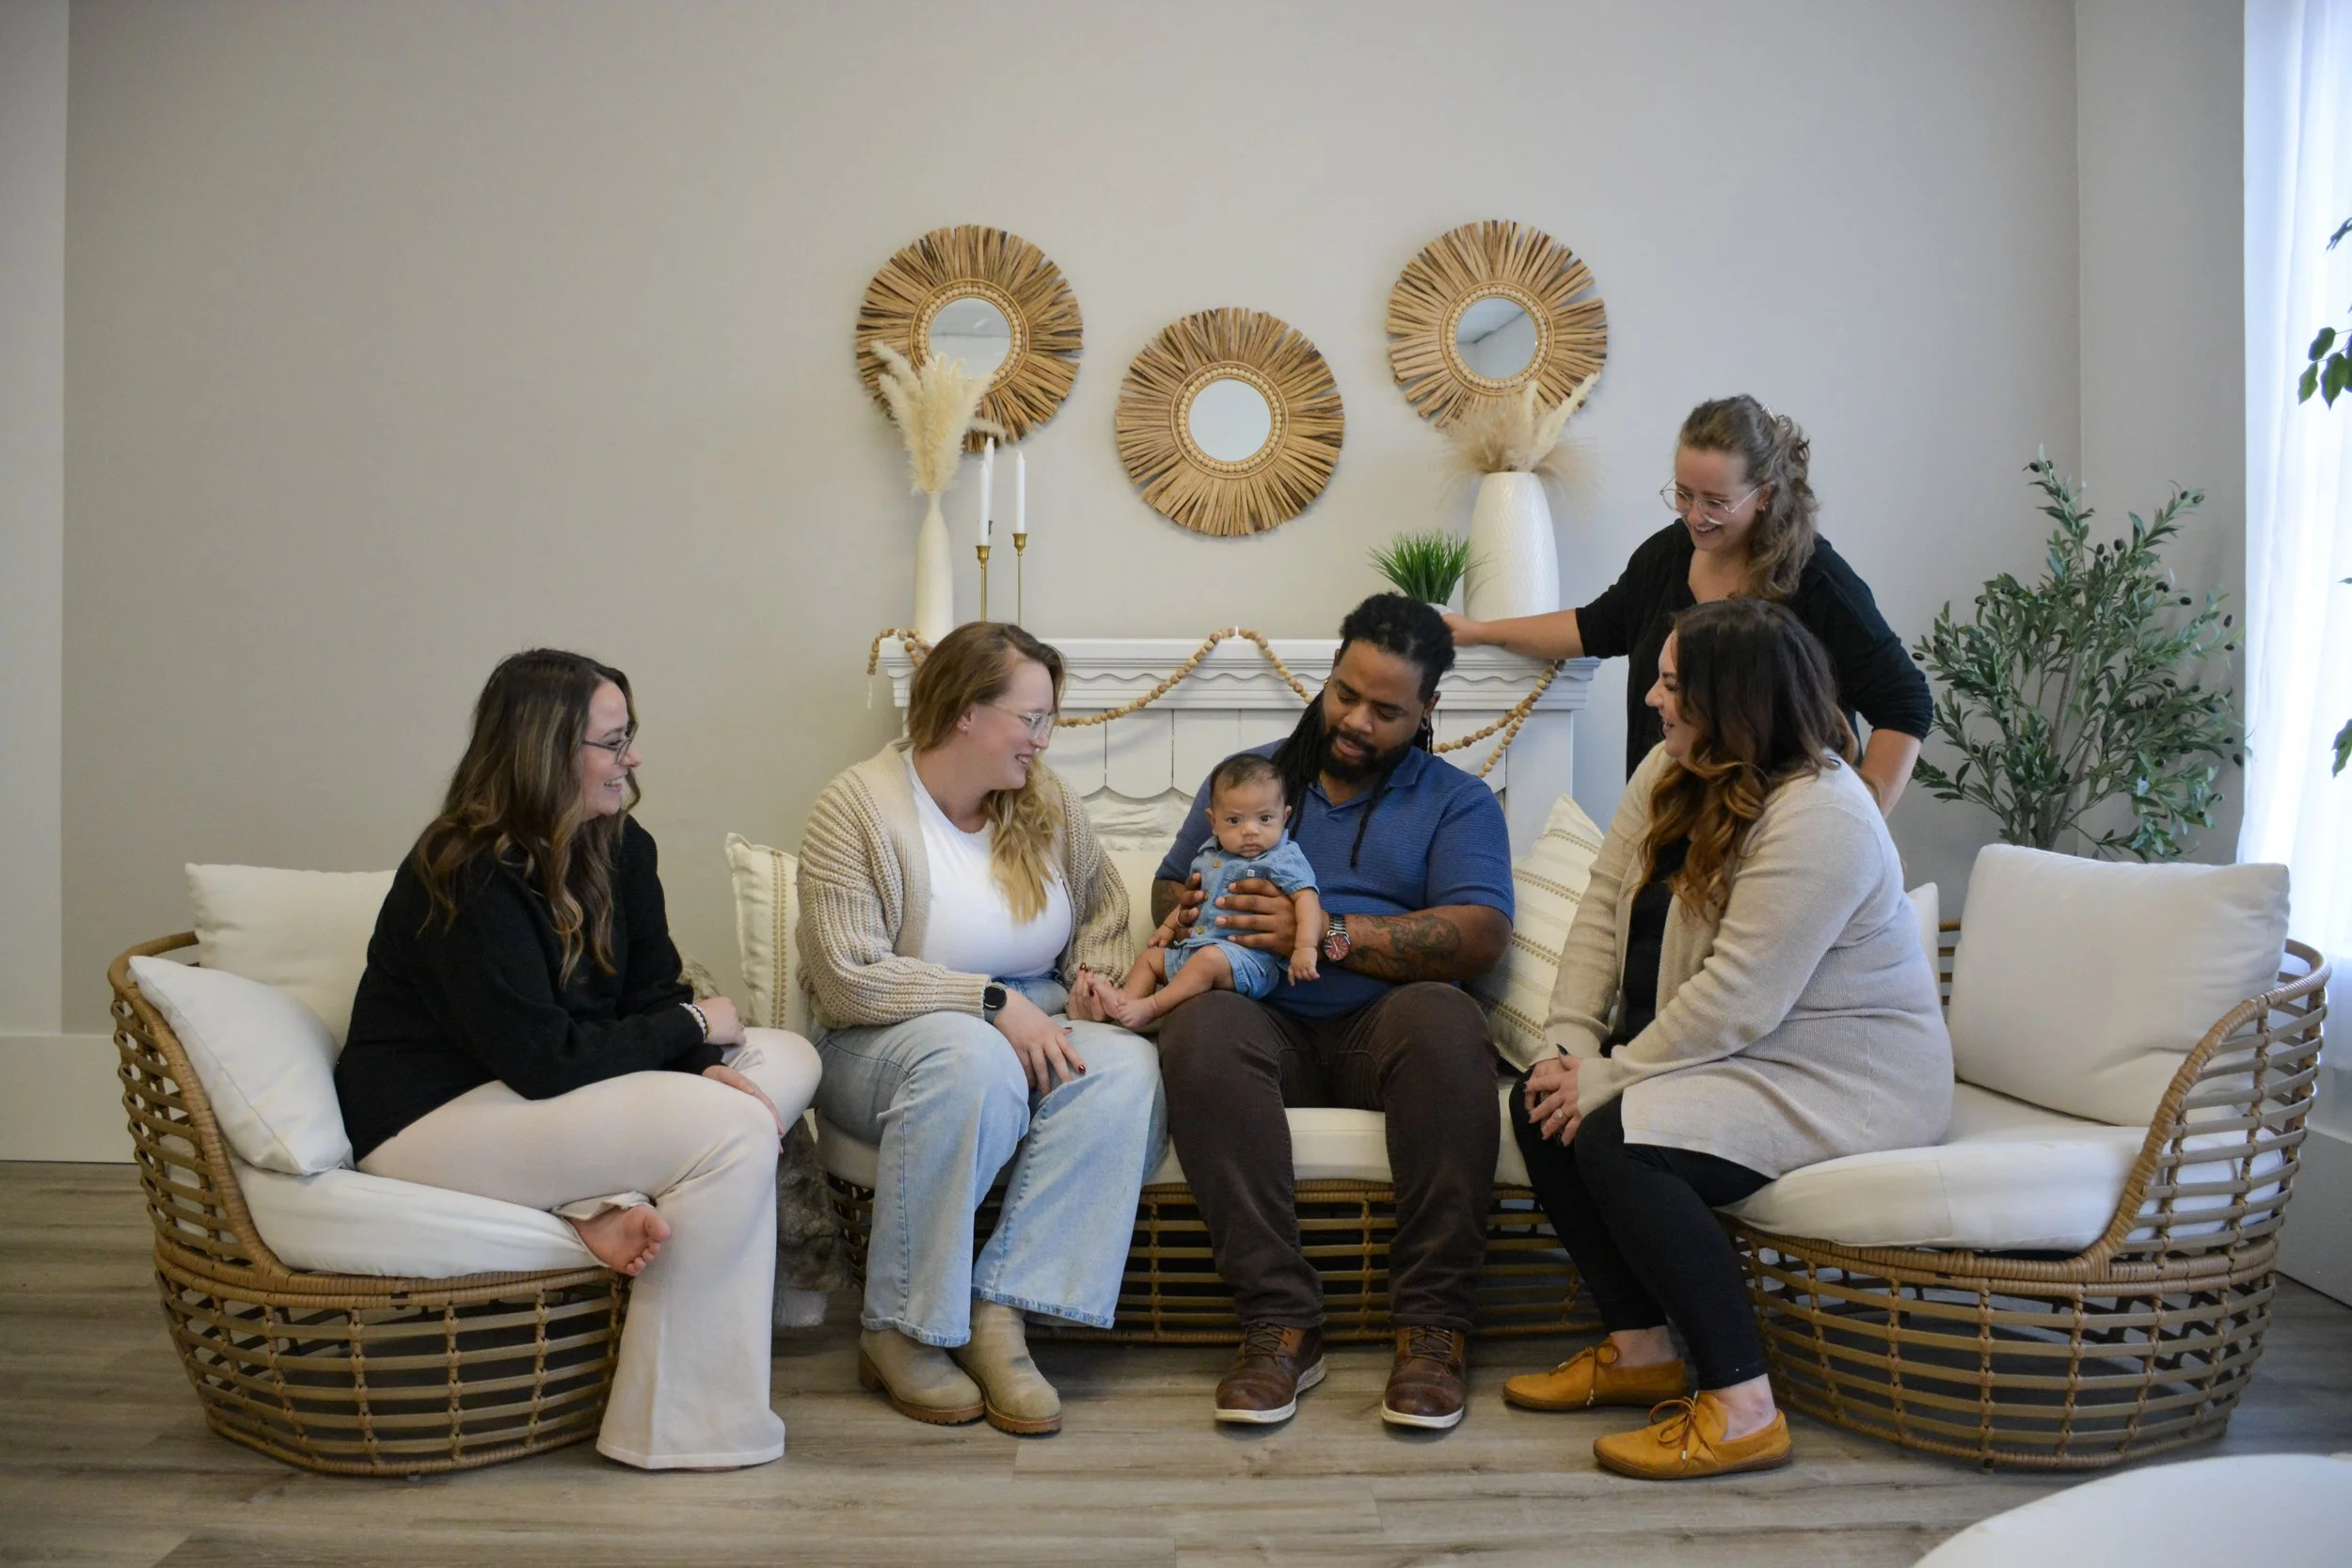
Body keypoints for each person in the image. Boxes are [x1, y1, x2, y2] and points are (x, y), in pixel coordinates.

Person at [335, 649, 818, 1472]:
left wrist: (697, 1057)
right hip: (433, 1116)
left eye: (631, 736)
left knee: (785, 1055)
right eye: (613, 739)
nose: (632, 758)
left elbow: (651, 993)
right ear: (546, 750)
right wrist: (691, 1029)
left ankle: (601, 1204)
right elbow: (545, 1058)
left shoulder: (622, 848)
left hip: (542, 1098)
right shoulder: (461, 869)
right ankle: (681, 1426)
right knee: (737, 1130)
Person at [1502, 598, 1951, 1480]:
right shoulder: (1675, 768)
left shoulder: (1825, 812)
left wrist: (1611, 1077)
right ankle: (1642, 1351)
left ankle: (1744, 1406)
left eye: (1672, 685)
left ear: (1732, 701)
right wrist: (1568, 1046)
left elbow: (1740, 996)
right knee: (1540, 1103)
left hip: (1840, 1075)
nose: (1652, 701)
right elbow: (1600, 910)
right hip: (1748, 1055)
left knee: (1620, 1137)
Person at [1094, 594, 1513, 1433]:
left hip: (1384, 1024)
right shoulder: (1251, 777)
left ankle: (1433, 1328)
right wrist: (1196, 909)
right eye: (1344, 693)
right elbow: (1169, 883)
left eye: (1386, 710)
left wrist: (1333, 934)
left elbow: (1480, 933)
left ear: (1429, 709)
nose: (1355, 721)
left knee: (1448, 1022)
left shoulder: (1456, 802)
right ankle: (1279, 1319)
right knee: (1203, 1026)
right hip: (1263, 1016)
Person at [797, 621, 1166, 1437]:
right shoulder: (855, 808)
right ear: (965, 710)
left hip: (1032, 1009)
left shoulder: (1047, 802)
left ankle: (1002, 1310)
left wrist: (1093, 982)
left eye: (1048, 720)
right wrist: (992, 1003)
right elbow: (847, 976)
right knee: (973, 1062)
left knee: (1126, 1070)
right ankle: (899, 1326)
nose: (1043, 739)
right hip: (886, 1032)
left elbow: (1101, 906)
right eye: (1030, 718)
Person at [1447, 394, 1931, 814]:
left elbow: (1904, 704)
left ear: (1764, 495)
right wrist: (1482, 632)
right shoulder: (1665, 556)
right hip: (1667, 820)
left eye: (1716, 502)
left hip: (1775, 835)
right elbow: (1594, 627)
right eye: (1683, 494)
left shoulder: (1818, 580)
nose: (1695, 517)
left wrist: (1862, 822)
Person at [1103, 751, 1325, 1029]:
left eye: (1265, 818)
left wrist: (1305, 948)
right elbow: (1193, 900)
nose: (1250, 831)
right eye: (1235, 821)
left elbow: (1307, 898)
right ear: (1213, 822)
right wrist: (1168, 929)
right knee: (1149, 960)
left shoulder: (1281, 858)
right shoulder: (1208, 855)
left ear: (1285, 816)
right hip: (1194, 951)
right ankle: (1123, 1008)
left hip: (1247, 963)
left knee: (1209, 959)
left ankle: (1152, 1007)